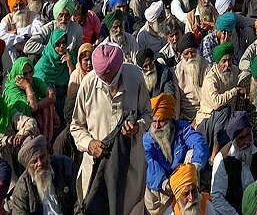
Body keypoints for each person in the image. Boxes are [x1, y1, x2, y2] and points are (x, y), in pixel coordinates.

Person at [70, 41, 151, 213]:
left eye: (111, 78)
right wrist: (90, 144)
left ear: (119, 69)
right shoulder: (88, 83)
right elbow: (76, 126)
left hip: (130, 165)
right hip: (97, 167)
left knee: (128, 208)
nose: (108, 83)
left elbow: (147, 114)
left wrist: (137, 128)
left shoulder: (135, 77)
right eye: (103, 80)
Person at [144, 93, 210, 215]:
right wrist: (165, 183)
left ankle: (191, 199)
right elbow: (148, 161)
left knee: (191, 154)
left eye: (161, 121)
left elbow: (198, 143)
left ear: (170, 120)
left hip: (184, 182)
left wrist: (192, 168)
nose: (157, 126)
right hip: (162, 187)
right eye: (154, 122)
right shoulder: (148, 138)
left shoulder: (181, 128)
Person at [210, 111, 257, 215]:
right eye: (242, 138)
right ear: (233, 140)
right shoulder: (222, 159)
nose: (248, 141)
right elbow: (217, 197)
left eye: (249, 134)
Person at [10, 135, 78, 215]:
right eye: (34, 161)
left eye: (42, 157)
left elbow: (80, 201)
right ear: (28, 167)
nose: (40, 163)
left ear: (47, 154)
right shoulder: (22, 189)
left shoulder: (66, 166)